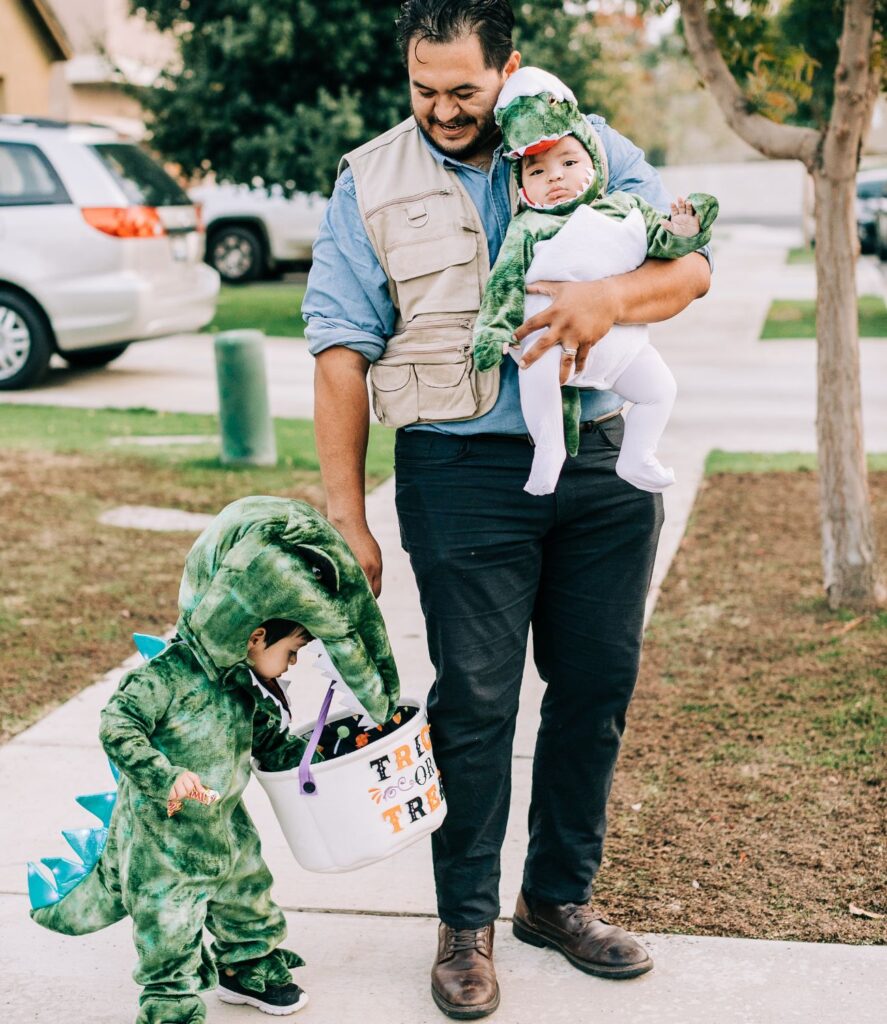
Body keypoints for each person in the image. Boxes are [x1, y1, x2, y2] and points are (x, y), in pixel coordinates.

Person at [304, 1, 712, 1018]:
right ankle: (464, 926)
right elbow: (339, 353)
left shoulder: (591, 147)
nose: (440, 109)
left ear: (509, 69)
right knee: (476, 701)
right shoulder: (369, 180)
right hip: (458, 472)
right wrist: (346, 515)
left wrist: (611, 302)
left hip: (602, 466)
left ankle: (556, 899)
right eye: (421, 88)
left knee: (595, 686)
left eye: (463, 90)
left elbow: (693, 265)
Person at [28, 496, 401, 1024]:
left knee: (248, 898)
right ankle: (169, 1001)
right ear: (255, 636)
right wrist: (165, 777)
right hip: (163, 840)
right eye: (291, 651)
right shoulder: (166, 677)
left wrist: (317, 759)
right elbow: (117, 723)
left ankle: (245, 967)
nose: (293, 662)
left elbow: (268, 741)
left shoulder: (240, 684)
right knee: (171, 923)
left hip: (224, 824)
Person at [474, 66, 718, 495]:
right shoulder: (527, 228)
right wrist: (493, 332)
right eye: (537, 171)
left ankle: (638, 454)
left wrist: (684, 227)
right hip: (543, 340)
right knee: (537, 374)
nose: (555, 177)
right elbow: (504, 283)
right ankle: (549, 448)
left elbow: (666, 244)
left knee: (660, 389)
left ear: (594, 162)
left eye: (569, 163)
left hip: (620, 347)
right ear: (523, 187)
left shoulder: (626, 207)